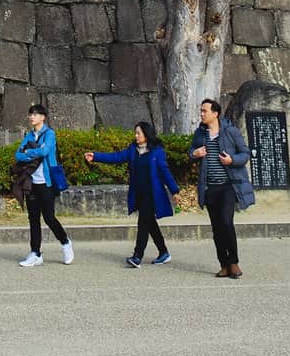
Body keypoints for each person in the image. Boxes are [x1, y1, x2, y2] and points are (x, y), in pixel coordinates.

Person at [84, 121, 179, 267]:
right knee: (149, 223)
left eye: (138, 133)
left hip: (153, 194)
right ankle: (164, 252)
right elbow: (116, 157)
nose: (136, 136)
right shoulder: (133, 150)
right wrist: (96, 156)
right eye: (135, 133)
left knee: (143, 223)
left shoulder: (157, 152)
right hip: (139, 193)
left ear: (146, 134)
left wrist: (175, 190)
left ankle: (137, 256)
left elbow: (165, 171)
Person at [190, 97, 255, 278]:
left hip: (228, 186)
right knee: (217, 228)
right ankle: (223, 264)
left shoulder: (231, 132)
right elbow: (191, 153)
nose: (201, 114)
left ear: (215, 113)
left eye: (205, 111)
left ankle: (233, 262)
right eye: (201, 111)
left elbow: (245, 154)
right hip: (209, 187)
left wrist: (231, 160)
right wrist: (195, 154)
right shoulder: (200, 134)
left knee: (226, 223)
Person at [14, 102, 75, 268]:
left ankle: (65, 243)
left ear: (42, 117)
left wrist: (29, 152)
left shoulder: (49, 134)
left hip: (46, 183)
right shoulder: (29, 135)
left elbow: (44, 151)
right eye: (30, 114)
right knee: (33, 218)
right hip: (31, 182)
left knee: (49, 217)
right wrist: (28, 153)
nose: (31, 117)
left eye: (35, 114)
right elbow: (18, 154)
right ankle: (35, 253)